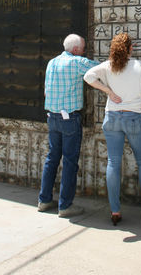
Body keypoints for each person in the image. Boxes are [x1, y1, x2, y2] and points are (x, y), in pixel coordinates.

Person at [84, 32, 141, 225]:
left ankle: (115, 211)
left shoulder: (108, 66)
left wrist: (108, 91)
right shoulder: (140, 67)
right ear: (131, 48)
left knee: (113, 163)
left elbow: (88, 76)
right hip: (133, 116)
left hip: (112, 117)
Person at [38, 33, 99, 218]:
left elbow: (47, 92)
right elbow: (100, 68)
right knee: (70, 162)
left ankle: (44, 200)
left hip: (52, 117)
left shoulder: (52, 63)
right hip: (69, 119)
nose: (84, 51)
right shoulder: (76, 62)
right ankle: (65, 205)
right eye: (83, 48)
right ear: (75, 50)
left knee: (52, 159)